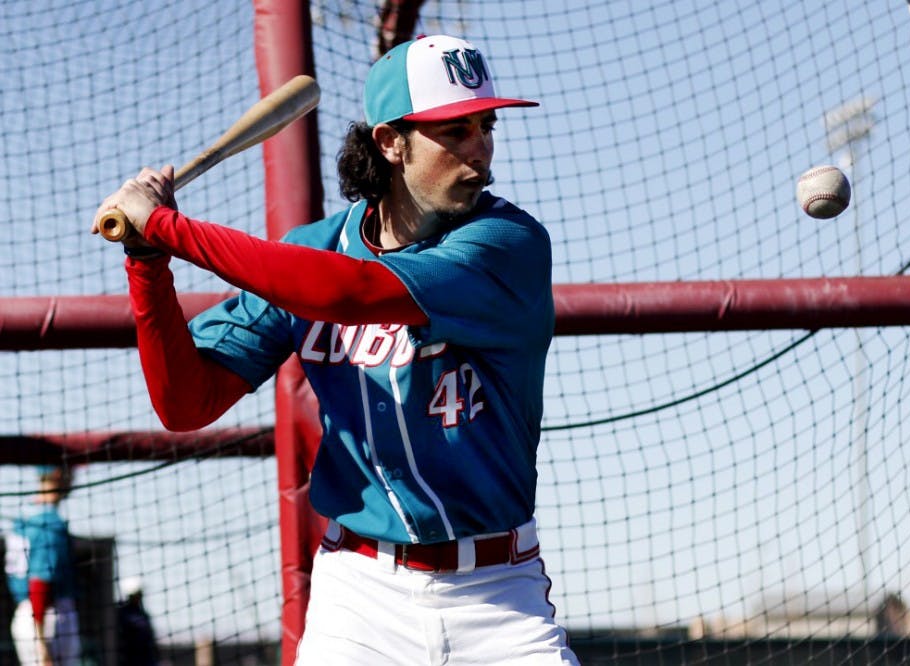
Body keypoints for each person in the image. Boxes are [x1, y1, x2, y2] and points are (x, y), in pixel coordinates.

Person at [92, 34, 577, 664]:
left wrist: (168, 226)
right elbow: (187, 403)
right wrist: (148, 262)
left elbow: (350, 293)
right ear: (390, 142)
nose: (479, 151)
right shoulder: (315, 247)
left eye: (486, 125)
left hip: (495, 592)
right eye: (454, 131)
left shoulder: (507, 242)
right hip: (360, 593)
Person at [4, 466, 81, 666]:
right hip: (47, 618)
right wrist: (42, 645)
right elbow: (39, 582)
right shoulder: (50, 522)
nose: (74, 479)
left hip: (25, 616)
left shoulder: (22, 518)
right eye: (71, 472)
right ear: (58, 474)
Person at [116, 577, 159, 666]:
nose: (141, 596)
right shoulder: (122, 613)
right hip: (130, 660)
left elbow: (150, 639)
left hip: (146, 660)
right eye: (139, 594)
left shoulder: (143, 614)